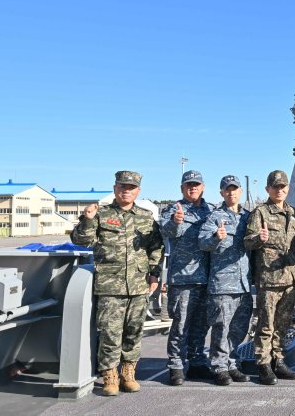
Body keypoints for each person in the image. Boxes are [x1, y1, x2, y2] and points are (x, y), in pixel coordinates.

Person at [70, 171, 163, 396]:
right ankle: (110, 377)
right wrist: (87, 220)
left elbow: (156, 247)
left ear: (138, 191)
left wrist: (154, 274)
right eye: (122, 186)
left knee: (134, 331)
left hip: (138, 284)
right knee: (110, 333)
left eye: (131, 187)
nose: (126, 190)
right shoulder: (101, 214)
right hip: (110, 285)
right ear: (115, 188)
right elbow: (81, 241)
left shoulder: (145, 216)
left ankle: (128, 374)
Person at [243, 170, 295, 385]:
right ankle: (263, 365)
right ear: (268, 189)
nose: (280, 190)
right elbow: (247, 242)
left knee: (282, 324)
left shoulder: (292, 212)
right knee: (266, 325)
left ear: (287, 188)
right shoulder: (260, 212)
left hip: (289, 278)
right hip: (269, 279)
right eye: (275, 186)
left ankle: (278, 360)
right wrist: (259, 238)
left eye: (283, 186)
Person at [159, 170, 215, 385]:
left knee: (201, 325)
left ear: (203, 187)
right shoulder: (174, 209)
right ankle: (176, 365)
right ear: (182, 188)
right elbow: (166, 231)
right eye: (188, 185)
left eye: (196, 184)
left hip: (205, 277)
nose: (192, 187)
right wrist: (175, 221)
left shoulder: (210, 211)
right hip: (183, 277)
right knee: (181, 324)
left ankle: (197, 362)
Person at [198, 175, 253, 386]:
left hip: (243, 283)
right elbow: (202, 243)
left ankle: (231, 362)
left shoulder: (248, 217)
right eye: (227, 190)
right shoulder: (214, 217)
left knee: (239, 327)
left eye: (235, 189)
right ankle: (219, 367)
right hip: (222, 283)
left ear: (240, 192)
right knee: (221, 327)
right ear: (221, 193)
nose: (231, 193)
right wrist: (215, 237)